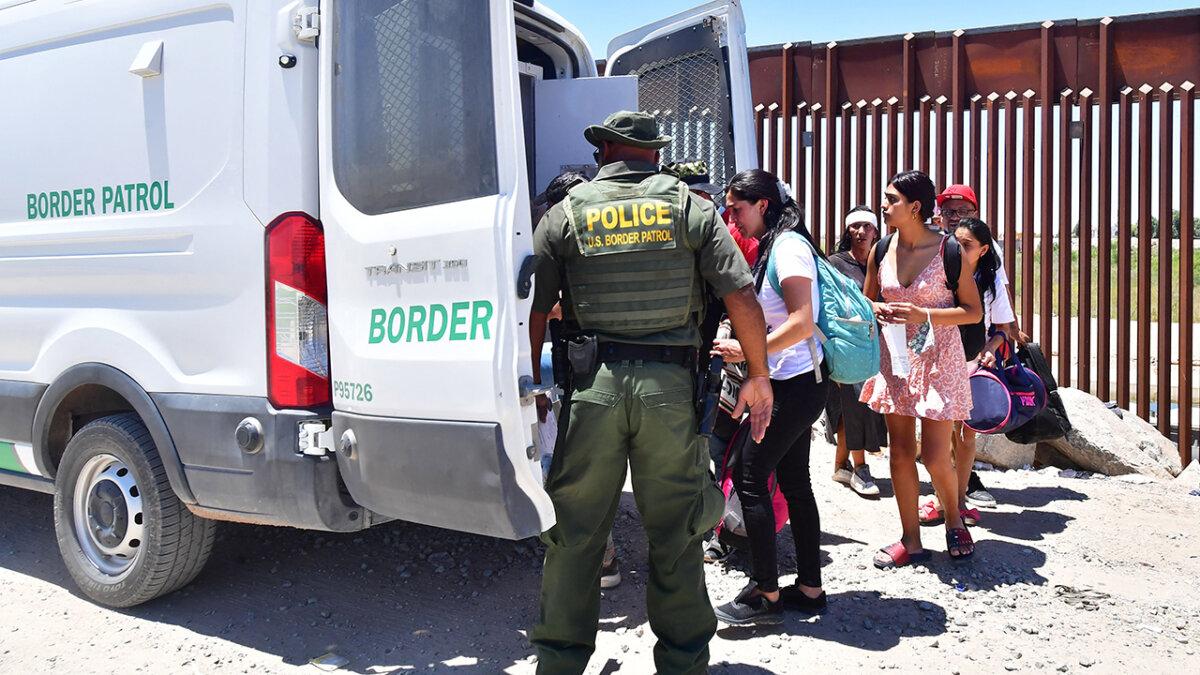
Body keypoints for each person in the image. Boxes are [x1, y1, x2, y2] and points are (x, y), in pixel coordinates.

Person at [527, 111, 774, 675]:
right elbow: (740, 297)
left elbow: (536, 311)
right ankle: (683, 664)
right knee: (679, 530)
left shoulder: (565, 213)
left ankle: (560, 664)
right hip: (670, 389)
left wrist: (530, 389)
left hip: (593, 390)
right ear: (653, 155)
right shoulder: (692, 209)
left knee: (576, 533)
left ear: (608, 151)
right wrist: (759, 377)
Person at [709, 169, 831, 625]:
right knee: (795, 481)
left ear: (763, 205)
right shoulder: (773, 246)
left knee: (749, 474)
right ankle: (809, 589)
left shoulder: (789, 247)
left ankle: (765, 594)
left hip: (797, 385)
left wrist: (749, 350)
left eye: (738, 208)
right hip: (790, 381)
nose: (732, 217)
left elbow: (803, 320)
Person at [860, 170, 983, 568]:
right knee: (898, 451)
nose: (883, 205)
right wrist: (876, 308)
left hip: (938, 361)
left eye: (891, 199)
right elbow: (867, 300)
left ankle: (953, 520)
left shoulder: (950, 251)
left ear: (915, 207)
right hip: (895, 358)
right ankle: (909, 539)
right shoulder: (881, 249)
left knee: (933, 455)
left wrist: (922, 313)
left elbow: (972, 311)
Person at [933, 184, 1028, 509]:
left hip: (974, 358)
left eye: (962, 211)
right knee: (939, 433)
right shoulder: (931, 249)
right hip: (937, 356)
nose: (954, 216)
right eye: (949, 211)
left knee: (967, 430)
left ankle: (959, 496)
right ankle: (944, 496)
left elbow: (1000, 312)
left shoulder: (989, 265)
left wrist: (1000, 339)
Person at [826, 207, 887, 498]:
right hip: (847, 347)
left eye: (867, 226)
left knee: (856, 407)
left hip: (880, 347)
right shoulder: (835, 264)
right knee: (855, 402)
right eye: (856, 226)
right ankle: (861, 468)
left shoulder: (885, 263)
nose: (861, 232)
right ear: (848, 231)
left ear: (876, 231)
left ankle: (841, 465)